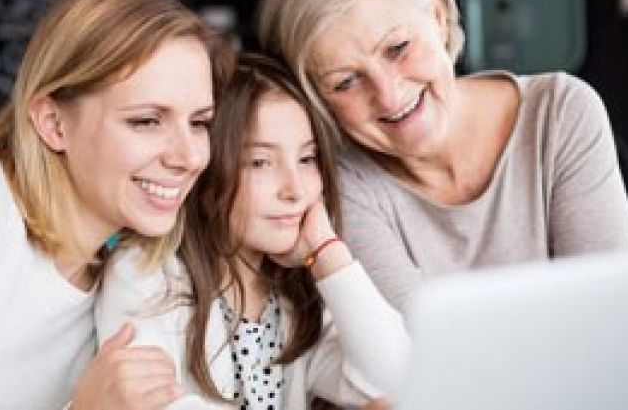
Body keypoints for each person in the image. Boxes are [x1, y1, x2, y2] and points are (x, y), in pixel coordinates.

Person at [256, 0, 628, 313]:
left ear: (437, 15)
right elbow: (422, 350)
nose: (389, 96)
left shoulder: (561, 112)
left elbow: (609, 314)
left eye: (398, 48)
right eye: (346, 82)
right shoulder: (345, 180)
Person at [0, 0, 234, 409]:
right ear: (53, 124)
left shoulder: (139, 284)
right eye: (146, 121)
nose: (189, 157)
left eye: (199, 123)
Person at [95, 53, 409, 410]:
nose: (294, 189)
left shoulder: (294, 296)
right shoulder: (145, 272)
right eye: (260, 162)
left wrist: (327, 251)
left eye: (306, 159)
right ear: (209, 169)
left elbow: (395, 382)